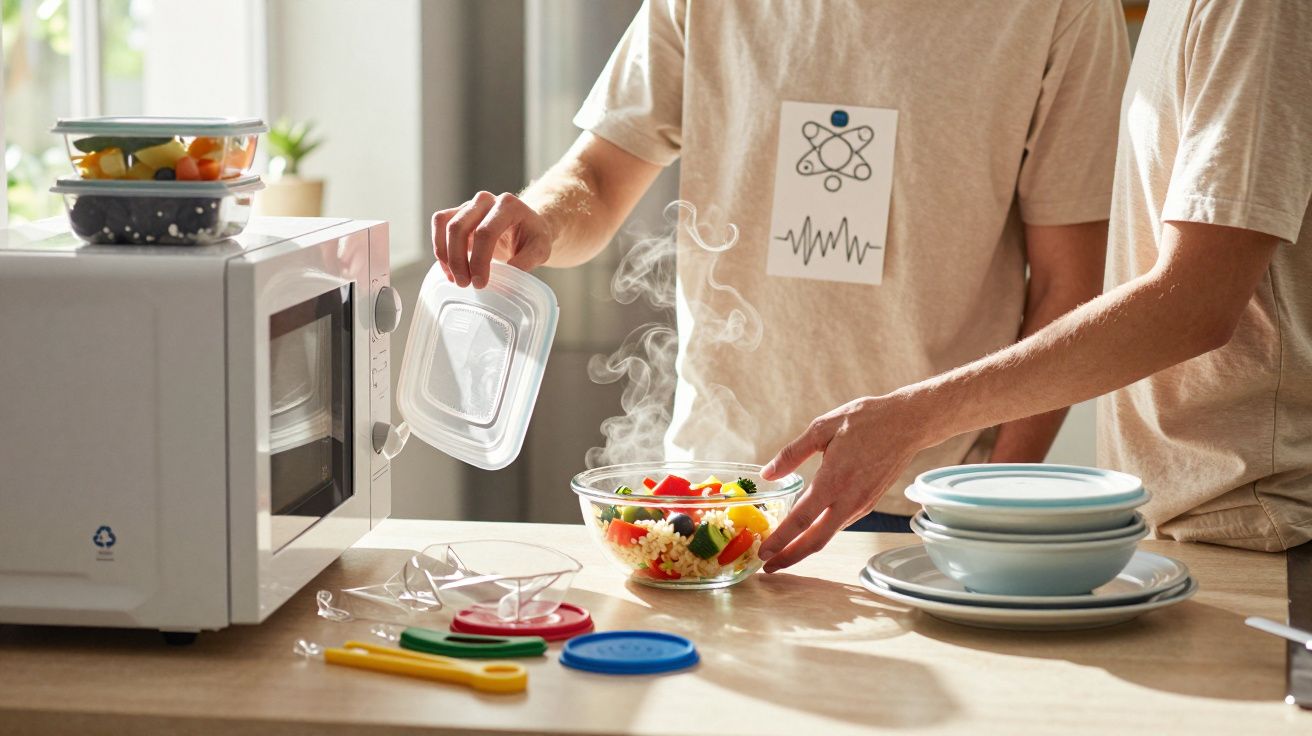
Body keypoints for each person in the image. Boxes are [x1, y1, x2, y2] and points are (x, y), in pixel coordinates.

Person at [433, 1, 1129, 530]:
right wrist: (540, 220)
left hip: (924, 503)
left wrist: (987, 503)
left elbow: (1068, 284)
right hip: (714, 485)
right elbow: (599, 175)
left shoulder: (1061, 12)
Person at [758, 0, 1312, 570]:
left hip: (1252, 528)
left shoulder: (1255, 10)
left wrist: (910, 423)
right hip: (1182, 519)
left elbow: (1195, 305)